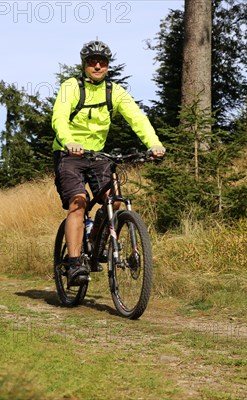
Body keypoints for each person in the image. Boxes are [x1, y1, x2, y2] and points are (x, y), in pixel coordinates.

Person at [51, 39, 165, 285]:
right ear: (84, 65)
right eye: (93, 62)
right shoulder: (71, 87)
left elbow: (137, 118)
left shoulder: (115, 91)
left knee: (114, 199)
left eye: (103, 62)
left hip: (99, 156)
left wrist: (153, 143)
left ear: (108, 66)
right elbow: (59, 117)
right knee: (78, 203)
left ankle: (100, 241)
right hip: (69, 155)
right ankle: (73, 264)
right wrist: (69, 141)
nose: (98, 66)